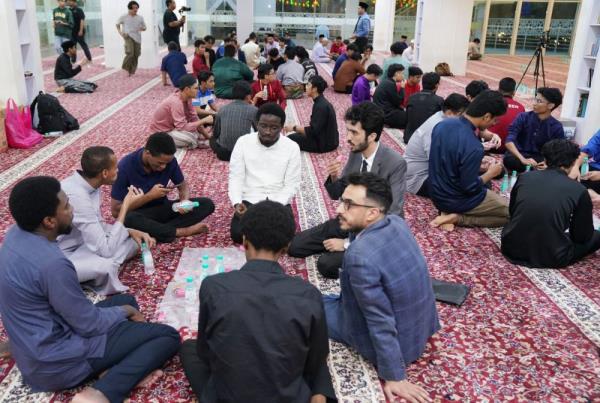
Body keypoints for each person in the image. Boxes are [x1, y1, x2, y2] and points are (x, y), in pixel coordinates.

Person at [0, 176, 181, 403]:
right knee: (166, 336)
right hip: (57, 362)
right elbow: (88, 324)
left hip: (34, 344)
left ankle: (110, 365)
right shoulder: (52, 264)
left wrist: (123, 308)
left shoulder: (15, 235)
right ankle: (102, 392)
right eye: (66, 206)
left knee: (126, 300)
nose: (71, 209)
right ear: (49, 221)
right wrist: (124, 312)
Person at [179, 200, 336, 402]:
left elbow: (205, 351)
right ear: (286, 247)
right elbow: (316, 358)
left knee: (189, 348)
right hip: (286, 395)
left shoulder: (213, 286)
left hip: (229, 396)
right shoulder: (307, 294)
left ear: (244, 241)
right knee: (313, 367)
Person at [322, 172, 439, 403]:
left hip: (397, 347)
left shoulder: (359, 257)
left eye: (348, 204)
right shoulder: (395, 221)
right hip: (420, 331)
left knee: (307, 303)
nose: (338, 209)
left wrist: (394, 376)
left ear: (372, 212)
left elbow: (379, 319)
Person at [288, 103, 407, 279]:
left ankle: (365, 255)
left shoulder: (395, 163)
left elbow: (393, 214)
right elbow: (337, 193)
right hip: (349, 220)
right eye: (348, 131)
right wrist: (334, 177)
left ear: (372, 135)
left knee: (327, 265)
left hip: (376, 231)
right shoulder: (356, 152)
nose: (348, 138)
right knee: (295, 246)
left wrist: (346, 244)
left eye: (354, 132)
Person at [58, 146, 154, 296]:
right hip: (63, 255)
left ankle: (90, 273)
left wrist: (129, 231)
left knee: (135, 243)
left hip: (84, 243)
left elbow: (98, 224)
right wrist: (125, 206)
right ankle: (82, 277)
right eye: (115, 168)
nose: (118, 171)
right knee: (107, 265)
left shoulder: (92, 185)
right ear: (104, 173)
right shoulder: (78, 196)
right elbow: (107, 251)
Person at [501, 139, 600, 268]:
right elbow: (581, 236)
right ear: (573, 162)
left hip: (510, 248)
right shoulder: (579, 190)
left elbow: (513, 212)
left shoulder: (524, 177)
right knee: (596, 236)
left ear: (545, 160)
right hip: (551, 256)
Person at [111, 132, 215, 242]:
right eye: (159, 163)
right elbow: (115, 211)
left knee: (207, 204)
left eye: (166, 163)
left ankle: (157, 231)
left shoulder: (169, 161)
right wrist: (149, 196)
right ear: (147, 153)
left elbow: (182, 185)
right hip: (140, 214)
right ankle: (180, 232)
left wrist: (185, 201)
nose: (163, 167)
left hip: (163, 208)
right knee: (129, 219)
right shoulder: (125, 167)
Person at [429, 90, 508, 231]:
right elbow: (469, 187)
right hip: (456, 199)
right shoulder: (474, 146)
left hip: (435, 192)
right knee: (513, 213)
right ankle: (457, 218)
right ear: (486, 116)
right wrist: (491, 173)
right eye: (495, 120)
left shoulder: (442, 125)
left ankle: (448, 212)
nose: (494, 124)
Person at [228, 103, 301, 244]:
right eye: (263, 126)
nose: (267, 131)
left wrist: (273, 208)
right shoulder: (243, 142)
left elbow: (291, 185)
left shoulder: (291, 147)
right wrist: (237, 202)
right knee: (237, 234)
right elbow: (236, 177)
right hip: (250, 198)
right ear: (256, 124)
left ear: (281, 127)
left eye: (274, 128)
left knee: (288, 233)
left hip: (278, 201)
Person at [405, 93, 470, 198]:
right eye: (462, 116)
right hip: (418, 179)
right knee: (464, 188)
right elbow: (438, 163)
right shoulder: (436, 127)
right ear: (449, 112)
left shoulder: (443, 119)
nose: (464, 120)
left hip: (431, 172)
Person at [503, 87, 564, 173]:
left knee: (554, 167)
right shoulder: (523, 117)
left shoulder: (556, 126)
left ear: (551, 106)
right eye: (535, 100)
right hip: (518, 156)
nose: (534, 103)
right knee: (510, 160)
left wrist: (547, 164)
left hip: (538, 159)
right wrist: (523, 159)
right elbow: (509, 141)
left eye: (539, 101)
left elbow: (558, 151)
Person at [150, 74, 213, 148]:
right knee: (190, 139)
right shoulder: (176, 102)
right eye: (196, 88)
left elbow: (194, 118)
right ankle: (197, 142)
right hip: (162, 133)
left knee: (195, 130)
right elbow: (182, 127)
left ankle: (196, 138)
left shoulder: (189, 98)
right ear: (187, 89)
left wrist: (208, 137)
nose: (198, 91)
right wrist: (204, 121)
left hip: (175, 128)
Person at [285, 76, 339, 153]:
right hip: (331, 140)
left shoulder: (320, 106)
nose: (305, 87)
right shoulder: (321, 102)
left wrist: (294, 127)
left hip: (324, 144)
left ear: (314, 89)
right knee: (296, 136)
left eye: (308, 85)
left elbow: (312, 131)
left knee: (290, 139)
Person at [210, 81, 257, 161]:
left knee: (212, 139)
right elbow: (258, 131)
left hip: (224, 154)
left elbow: (216, 133)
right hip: (245, 154)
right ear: (248, 96)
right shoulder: (254, 110)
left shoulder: (222, 109)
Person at [487, 77, 525, 154]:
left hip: (490, 147)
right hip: (511, 150)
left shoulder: (490, 103)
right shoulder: (521, 107)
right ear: (514, 92)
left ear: (498, 90)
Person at [403, 71, 443, 143]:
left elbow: (407, 119)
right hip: (427, 140)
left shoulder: (412, 97)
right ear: (436, 85)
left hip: (409, 137)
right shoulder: (439, 101)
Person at [116, 1, 146, 76]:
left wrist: (142, 28)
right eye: (133, 8)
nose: (135, 9)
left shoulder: (140, 17)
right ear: (129, 9)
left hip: (138, 38)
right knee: (130, 53)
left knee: (136, 54)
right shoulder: (124, 16)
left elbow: (145, 27)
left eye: (136, 8)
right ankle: (125, 69)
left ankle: (132, 71)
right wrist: (120, 32)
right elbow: (117, 24)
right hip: (128, 36)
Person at [373, 64, 407, 129]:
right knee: (408, 118)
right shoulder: (390, 84)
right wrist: (402, 88)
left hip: (381, 110)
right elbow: (398, 102)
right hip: (385, 114)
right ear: (397, 74)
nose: (403, 76)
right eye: (402, 73)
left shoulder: (387, 81)